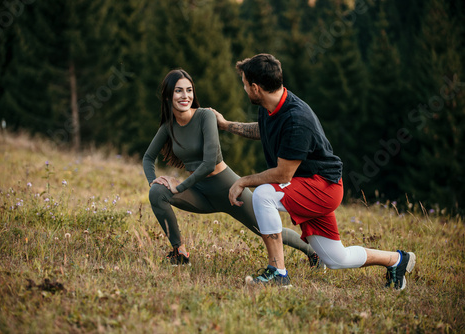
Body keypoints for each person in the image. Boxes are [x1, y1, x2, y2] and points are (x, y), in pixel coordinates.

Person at [213, 54, 416, 289]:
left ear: (256, 88)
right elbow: (264, 130)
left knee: (263, 194)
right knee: (336, 259)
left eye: (245, 85)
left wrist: (243, 181)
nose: (245, 89)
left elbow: (283, 175)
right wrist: (227, 125)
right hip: (309, 185)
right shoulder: (270, 106)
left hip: (322, 187)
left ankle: (277, 272)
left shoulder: (297, 119)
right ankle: (397, 260)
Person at [142, 68, 319, 266]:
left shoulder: (205, 117)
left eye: (189, 90)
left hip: (228, 188)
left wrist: (179, 186)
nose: (186, 96)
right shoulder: (168, 126)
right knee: (157, 192)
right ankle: (179, 252)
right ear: (168, 95)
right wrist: (153, 181)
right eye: (179, 91)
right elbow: (148, 158)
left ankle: (313, 252)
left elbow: (209, 163)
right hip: (198, 192)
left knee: (264, 229)